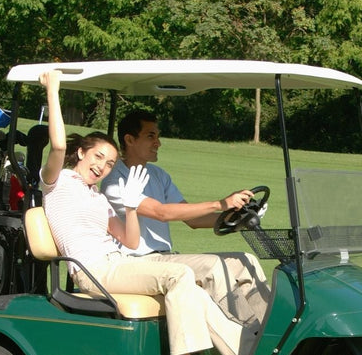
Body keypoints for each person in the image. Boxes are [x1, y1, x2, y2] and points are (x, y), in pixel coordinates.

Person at [38, 70, 243, 355]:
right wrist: (53, 89)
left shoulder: (98, 197)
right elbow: (58, 145)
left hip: (119, 260)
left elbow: (130, 240)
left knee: (193, 287)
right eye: (97, 158)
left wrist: (131, 206)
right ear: (81, 153)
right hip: (92, 269)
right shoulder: (56, 183)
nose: (102, 167)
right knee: (178, 275)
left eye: (108, 164)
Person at [100, 110, 271, 326]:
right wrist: (220, 204)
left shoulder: (158, 175)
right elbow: (161, 213)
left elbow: (193, 219)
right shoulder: (115, 181)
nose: (158, 143)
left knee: (246, 261)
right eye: (151, 136)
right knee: (213, 267)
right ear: (129, 140)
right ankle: (244, 335)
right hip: (137, 261)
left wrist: (237, 217)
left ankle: (271, 331)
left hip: (164, 257)